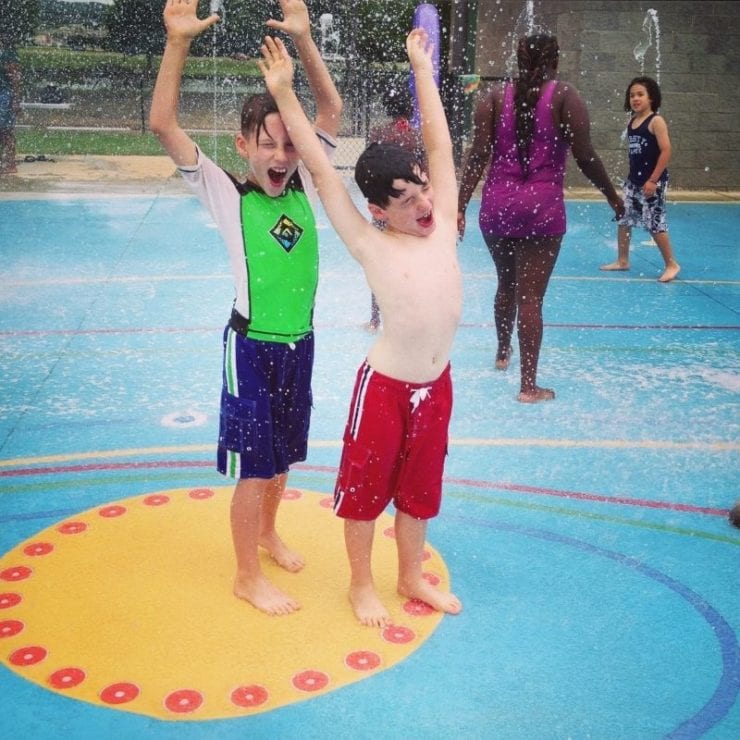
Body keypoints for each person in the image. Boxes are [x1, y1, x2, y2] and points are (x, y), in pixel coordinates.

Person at [259, 29, 462, 626]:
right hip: (386, 391)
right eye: (404, 200)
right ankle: (362, 584)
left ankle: (408, 575)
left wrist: (422, 70)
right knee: (366, 493)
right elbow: (323, 173)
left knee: (421, 493)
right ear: (378, 210)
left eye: (421, 188)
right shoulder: (370, 243)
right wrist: (285, 95)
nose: (422, 204)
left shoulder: (443, 217)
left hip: (436, 387)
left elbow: (442, 148)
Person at [149, 0, 342, 616]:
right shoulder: (227, 195)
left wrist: (306, 40)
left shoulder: (311, 182)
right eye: (268, 145)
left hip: (300, 342)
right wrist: (177, 42)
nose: (282, 156)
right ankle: (244, 574)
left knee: (283, 458)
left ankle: (266, 532)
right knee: (255, 467)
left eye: (290, 143)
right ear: (242, 145)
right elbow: (162, 123)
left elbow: (330, 110)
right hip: (251, 346)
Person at [458, 34, 624, 403]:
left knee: (506, 284)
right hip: (541, 208)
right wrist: (612, 195)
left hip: (497, 206)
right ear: (556, 59)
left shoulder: (493, 98)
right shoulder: (565, 97)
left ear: (517, 58)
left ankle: (503, 353)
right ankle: (528, 386)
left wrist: (459, 204)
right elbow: (585, 155)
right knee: (530, 299)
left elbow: (477, 156)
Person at [600, 76, 680, 282]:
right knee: (624, 218)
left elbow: (666, 151)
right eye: (632, 95)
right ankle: (623, 260)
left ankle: (672, 264)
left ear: (651, 98)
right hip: (634, 182)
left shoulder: (656, 121)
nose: (635, 98)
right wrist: (633, 179)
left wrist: (653, 180)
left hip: (653, 182)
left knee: (654, 223)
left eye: (640, 94)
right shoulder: (633, 122)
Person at [364, 84, 425, 333]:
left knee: (380, 263)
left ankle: (375, 318)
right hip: (409, 210)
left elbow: (368, 170)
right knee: (414, 262)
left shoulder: (378, 133)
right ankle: (412, 315)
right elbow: (425, 174)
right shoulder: (417, 136)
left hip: (385, 207)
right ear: (410, 109)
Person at [0, 35, 21, 175]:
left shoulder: (8, 54)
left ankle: (11, 164)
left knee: (6, 130)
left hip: (4, 97)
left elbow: (15, 77)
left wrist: (16, 100)